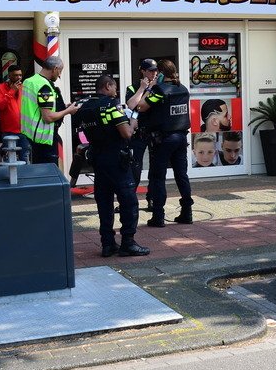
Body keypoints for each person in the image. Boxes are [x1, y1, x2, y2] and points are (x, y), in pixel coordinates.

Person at [74, 74, 149, 258]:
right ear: (108, 86)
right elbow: (125, 133)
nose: (115, 92)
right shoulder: (111, 105)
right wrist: (132, 122)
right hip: (117, 159)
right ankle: (128, 243)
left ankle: (107, 244)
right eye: (114, 88)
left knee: (104, 202)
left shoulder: (85, 107)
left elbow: (86, 131)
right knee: (128, 201)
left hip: (98, 160)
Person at [137, 59, 193, 226]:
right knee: (181, 175)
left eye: (157, 72)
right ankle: (187, 213)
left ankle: (158, 216)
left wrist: (148, 88)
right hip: (181, 138)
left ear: (161, 73)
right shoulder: (182, 89)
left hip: (163, 139)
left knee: (158, 177)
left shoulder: (160, 90)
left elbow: (141, 106)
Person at [21, 55, 80, 165]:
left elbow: (34, 105)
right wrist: (68, 111)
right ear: (55, 69)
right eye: (60, 71)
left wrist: (63, 107)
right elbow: (48, 117)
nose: (59, 75)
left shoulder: (29, 81)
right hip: (44, 138)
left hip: (30, 135)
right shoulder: (45, 87)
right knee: (49, 175)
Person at [124, 58, 159, 210]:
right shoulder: (132, 88)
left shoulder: (159, 87)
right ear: (143, 71)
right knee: (134, 168)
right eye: (150, 70)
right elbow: (132, 106)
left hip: (154, 133)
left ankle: (152, 199)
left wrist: (152, 88)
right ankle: (129, 200)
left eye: (155, 70)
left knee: (155, 169)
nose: (154, 73)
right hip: (138, 134)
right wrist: (143, 89)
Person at [0, 64, 29, 162]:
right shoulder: (0, 88)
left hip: (24, 130)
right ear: (9, 76)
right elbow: (0, 106)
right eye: (16, 75)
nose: (19, 77)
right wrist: (11, 91)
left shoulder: (24, 87)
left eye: (20, 75)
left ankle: (24, 177)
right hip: (9, 131)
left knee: (25, 157)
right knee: (9, 158)